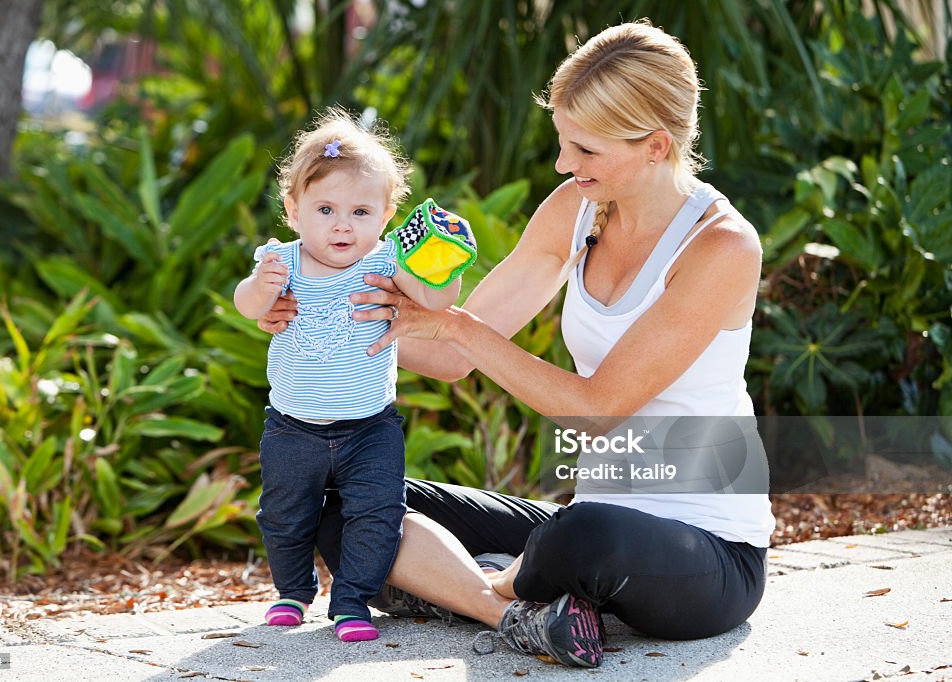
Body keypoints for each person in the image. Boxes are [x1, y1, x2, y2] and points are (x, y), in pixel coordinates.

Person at [261, 20, 775, 668]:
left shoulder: (722, 247)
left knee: (584, 538)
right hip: (587, 512)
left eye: (584, 150)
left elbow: (596, 409)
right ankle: (509, 606)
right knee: (345, 502)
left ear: (655, 145)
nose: (565, 165)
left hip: (707, 552)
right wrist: (317, 320)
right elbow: (452, 358)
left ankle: (482, 583)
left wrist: (457, 326)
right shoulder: (577, 208)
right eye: (563, 143)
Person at [233, 109, 463, 642]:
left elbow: (435, 300)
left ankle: (353, 601)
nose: (342, 225)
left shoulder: (385, 262)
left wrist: (441, 265)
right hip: (293, 427)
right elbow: (247, 305)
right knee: (284, 516)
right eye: (325, 209)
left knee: (378, 514)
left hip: (370, 429)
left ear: (385, 215)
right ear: (293, 211)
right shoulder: (280, 261)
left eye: (360, 211)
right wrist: (261, 288)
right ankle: (292, 591)